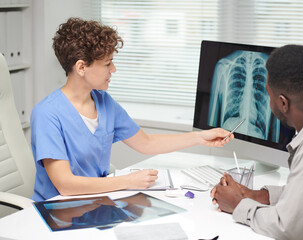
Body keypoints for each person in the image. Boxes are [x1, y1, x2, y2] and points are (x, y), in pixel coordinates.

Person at [31, 17, 233, 202]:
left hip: (94, 201)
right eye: (107, 64)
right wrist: (128, 181)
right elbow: (66, 186)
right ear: (81, 67)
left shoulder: (103, 102)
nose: (114, 70)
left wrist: (200, 137)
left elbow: (146, 143)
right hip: (57, 210)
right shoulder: (47, 114)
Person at [210, 45, 303, 239]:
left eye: (268, 95)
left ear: (283, 102)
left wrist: (238, 205)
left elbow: (288, 228)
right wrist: (258, 195)